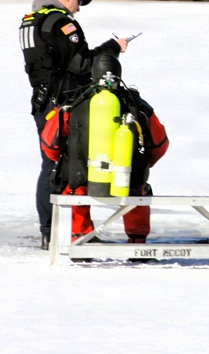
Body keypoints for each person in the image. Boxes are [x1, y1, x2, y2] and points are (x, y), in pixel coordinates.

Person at [20, 0, 129, 249]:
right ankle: (69, 233)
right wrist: (113, 49)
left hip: (42, 102)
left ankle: (51, 232)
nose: (79, 8)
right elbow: (80, 65)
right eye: (79, 0)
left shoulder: (31, 20)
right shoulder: (61, 22)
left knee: (51, 163)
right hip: (64, 103)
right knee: (68, 166)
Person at [40, 54, 168, 244]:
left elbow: (50, 144)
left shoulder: (72, 105)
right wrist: (144, 163)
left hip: (82, 179)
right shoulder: (137, 106)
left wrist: (70, 160)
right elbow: (160, 144)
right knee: (138, 189)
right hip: (127, 178)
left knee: (73, 189)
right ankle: (137, 242)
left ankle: (80, 238)